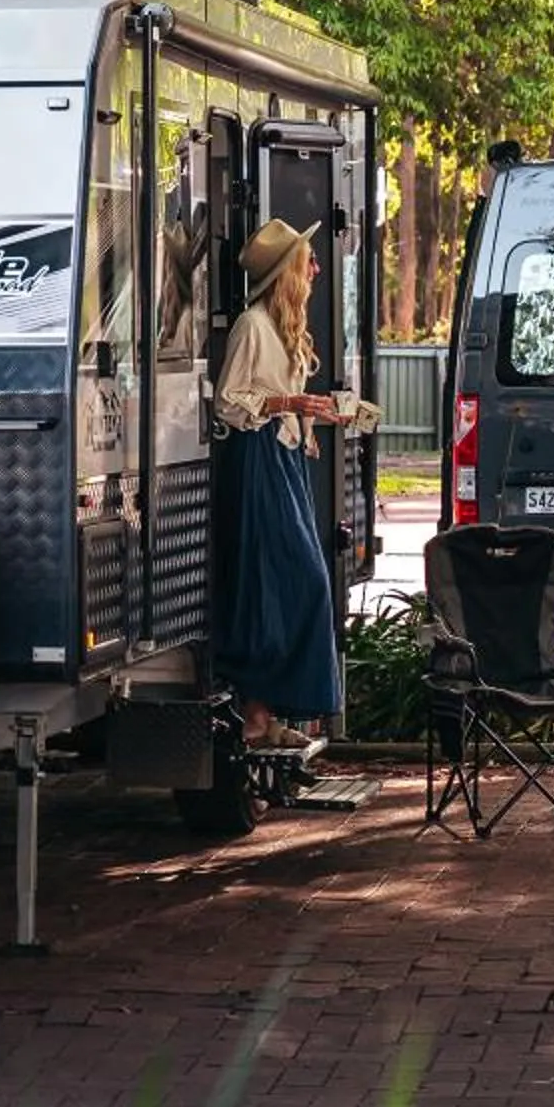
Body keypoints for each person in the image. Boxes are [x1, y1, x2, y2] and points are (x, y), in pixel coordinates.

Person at [210, 217, 351, 750]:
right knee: (292, 582)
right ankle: (256, 711)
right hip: (259, 459)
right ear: (286, 273)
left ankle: (267, 713)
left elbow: (281, 401)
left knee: (291, 584)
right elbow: (229, 401)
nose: (315, 268)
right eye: (306, 261)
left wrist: (319, 413)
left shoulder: (282, 327)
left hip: (284, 457)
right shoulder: (252, 325)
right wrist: (290, 404)